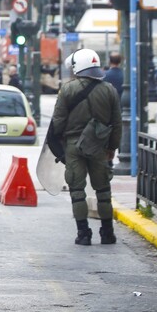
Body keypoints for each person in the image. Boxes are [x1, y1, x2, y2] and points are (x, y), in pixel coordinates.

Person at [51, 48, 122, 246]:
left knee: (77, 191)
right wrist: (112, 148)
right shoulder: (109, 89)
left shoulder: (68, 89)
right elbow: (117, 124)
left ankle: (83, 233)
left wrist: (58, 145)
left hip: (73, 146)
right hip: (100, 147)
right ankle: (108, 232)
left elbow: (58, 121)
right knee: (103, 192)